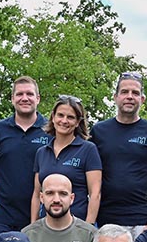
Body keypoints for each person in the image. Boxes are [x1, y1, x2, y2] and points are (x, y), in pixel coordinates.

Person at [91, 71, 147, 228]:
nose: (129, 96)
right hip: (105, 219)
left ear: (142, 99)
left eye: (135, 93)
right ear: (115, 97)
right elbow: (91, 179)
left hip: (142, 221)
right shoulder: (98, 131)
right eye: (124, 92)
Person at [0, 76, 51, 242]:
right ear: (12, 99)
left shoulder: (50, 131)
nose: (24, 98)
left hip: (39, 215)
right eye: (19, 94)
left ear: (38, 98)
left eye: (29, 94)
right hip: (1, 215)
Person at [31, 95, 102, 226]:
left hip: (77, 226)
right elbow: (36, 194)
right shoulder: (42, 152)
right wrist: (33, 227)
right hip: (46, 226)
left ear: (77, 122)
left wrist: (88, 228)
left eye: (70, 117)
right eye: (60, 115)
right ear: (53, 117)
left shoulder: (88, 150)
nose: (64, 121)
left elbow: (95, 194)